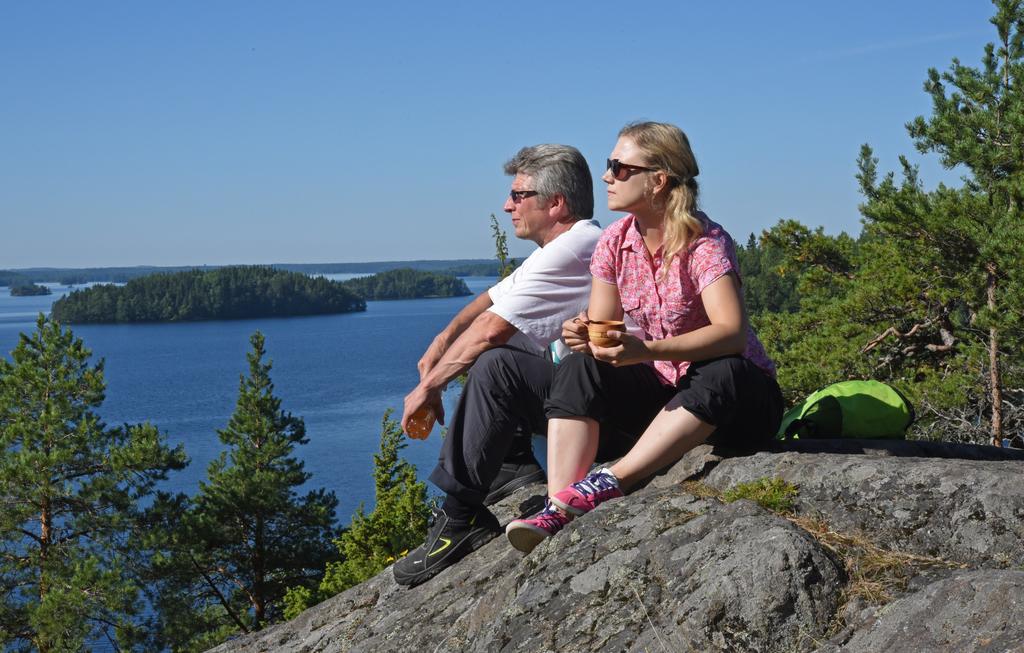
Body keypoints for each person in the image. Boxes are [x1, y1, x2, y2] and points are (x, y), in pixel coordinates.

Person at [505, 121, 784, 553]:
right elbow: (603, 330)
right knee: (581, 364)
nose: (606, 177)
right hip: (669, 401)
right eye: (608, 166)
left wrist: (647, 350)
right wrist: (582, 334)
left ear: (658, 180)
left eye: (618, 167)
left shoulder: (704, 243)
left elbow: (731, 333)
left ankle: (609, 482)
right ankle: (560, 504)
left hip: (738, 405)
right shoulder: (615, 242)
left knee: (724, 368)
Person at [393, 144, 603, 586]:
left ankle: (461, 517)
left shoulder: (578, 246)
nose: (507, 206)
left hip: (604, 410)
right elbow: (489, 299)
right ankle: (510, 462)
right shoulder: (560, 247)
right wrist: (440, 342)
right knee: (493, 355)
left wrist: (429, 386)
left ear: (556, 202)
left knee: (494, 363)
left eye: (518, 195)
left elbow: (491, 329)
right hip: (586, 402)